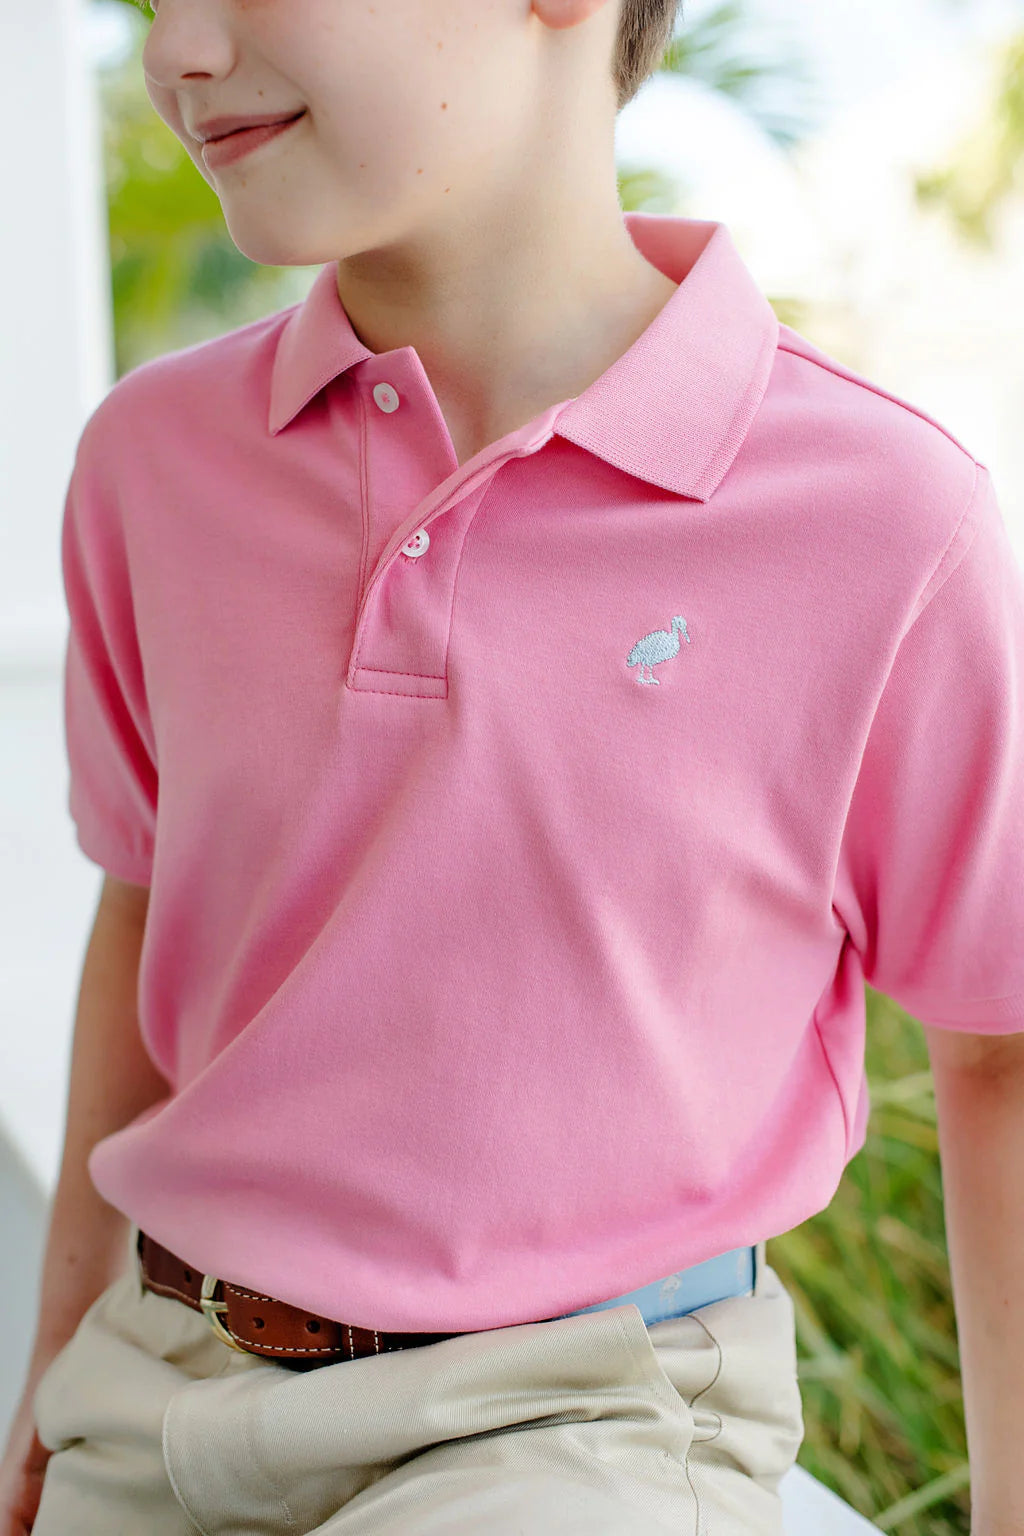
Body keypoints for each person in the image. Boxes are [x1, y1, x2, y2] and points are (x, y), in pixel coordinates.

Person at [4, 0, 1024, 1531]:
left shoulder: (883, 518)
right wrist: (51, 1371)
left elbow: (1003, 1040)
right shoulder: (149, 466)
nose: (178, 55)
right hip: (158, 1393)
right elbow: (151, 907)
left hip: (586, 1416)